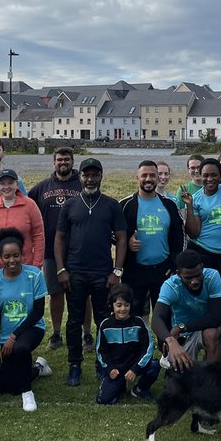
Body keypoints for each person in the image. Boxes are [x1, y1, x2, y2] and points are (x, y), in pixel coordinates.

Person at [53, 158, 127, 387]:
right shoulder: (70, 205)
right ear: (80, 177)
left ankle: (103, 363)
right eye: (86, 175)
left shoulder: (111, 205)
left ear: (101, 176)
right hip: (75, 272)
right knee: (74, 321)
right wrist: (61, 269)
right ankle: (74, 364)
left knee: (104, 320)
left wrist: (117, 270)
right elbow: (59, 238)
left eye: (95, 175)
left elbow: (122, 238)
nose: (90, 179)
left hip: (103, 273)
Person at [0, 227, 52, 411]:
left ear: (22, 254)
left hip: (31, 329)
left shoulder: (34, 275)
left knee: (21, 349)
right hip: (6, 337)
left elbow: (38, 312)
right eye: (7, 256)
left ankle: (27, 393)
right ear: (0, 256)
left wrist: (14, 337)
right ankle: (38, 367)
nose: (12, 260)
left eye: (16, 255)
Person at [28, 146, 82, 350]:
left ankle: (85, 334)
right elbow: (27, 207)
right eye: (59, 160)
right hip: (50, 252)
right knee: (56, 293)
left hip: (78, 250)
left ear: (72, 161)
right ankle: (57, 333)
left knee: (81, 294)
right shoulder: (41, 188)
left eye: (67, 159)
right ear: (54, 162)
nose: (63, 163)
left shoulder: (81, 184)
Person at [182, 158, 221, 338]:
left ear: (220, 175)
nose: (209, 179)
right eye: (206, 175)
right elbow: (194, 232)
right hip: (204, 252)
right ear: (200, 176)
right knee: (206, 298)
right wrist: (190, 207)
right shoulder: (197, 198)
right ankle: (204, 335)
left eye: (214, 175)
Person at [120, 160, 184, 319]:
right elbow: (115, 235)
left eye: (152, 176)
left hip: (163, 270)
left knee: (165, 316)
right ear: (137, 178)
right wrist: (128, 243)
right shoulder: (125, 205)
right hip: (134, 271)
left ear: (157, 179)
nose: (148, 179)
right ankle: (138, 344)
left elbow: (179, 237)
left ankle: (165, 343)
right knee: (133, 316)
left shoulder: (169, 204)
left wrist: (173, 264)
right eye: (144, 175)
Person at [152, 249, 221, 371]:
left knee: (211, 334)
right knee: (184, 379)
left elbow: (215, 318)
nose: (194, 281)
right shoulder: (170, 286)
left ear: (202, 267)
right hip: (182, 337)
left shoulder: (212, 277)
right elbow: (156, 318)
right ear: (178, 274)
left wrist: (181, 328)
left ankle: (212, 378)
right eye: (188, 278)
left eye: (198, 275)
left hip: (202, 329)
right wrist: (170, 341)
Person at [95, 284, 159, 404]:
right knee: (103, 400)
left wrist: (135, 369)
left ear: (131, 305)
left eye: (126, 305)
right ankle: (120, 385)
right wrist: (110, 368)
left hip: (134, 364)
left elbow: (148, 347)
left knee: (154, 366)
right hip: (116, 368)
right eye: (118, 305)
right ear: (112, 306)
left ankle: (140, 389)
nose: (123, 309)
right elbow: (100, 351)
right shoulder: (105, 325)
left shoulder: (138, 323)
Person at [0, 168, 44, 271]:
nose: (6, 187)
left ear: (17, 184)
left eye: (10, 183)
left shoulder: (30, 205)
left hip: (24, 265)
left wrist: (37, 265)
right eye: (2, 183)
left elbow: (39, 236)